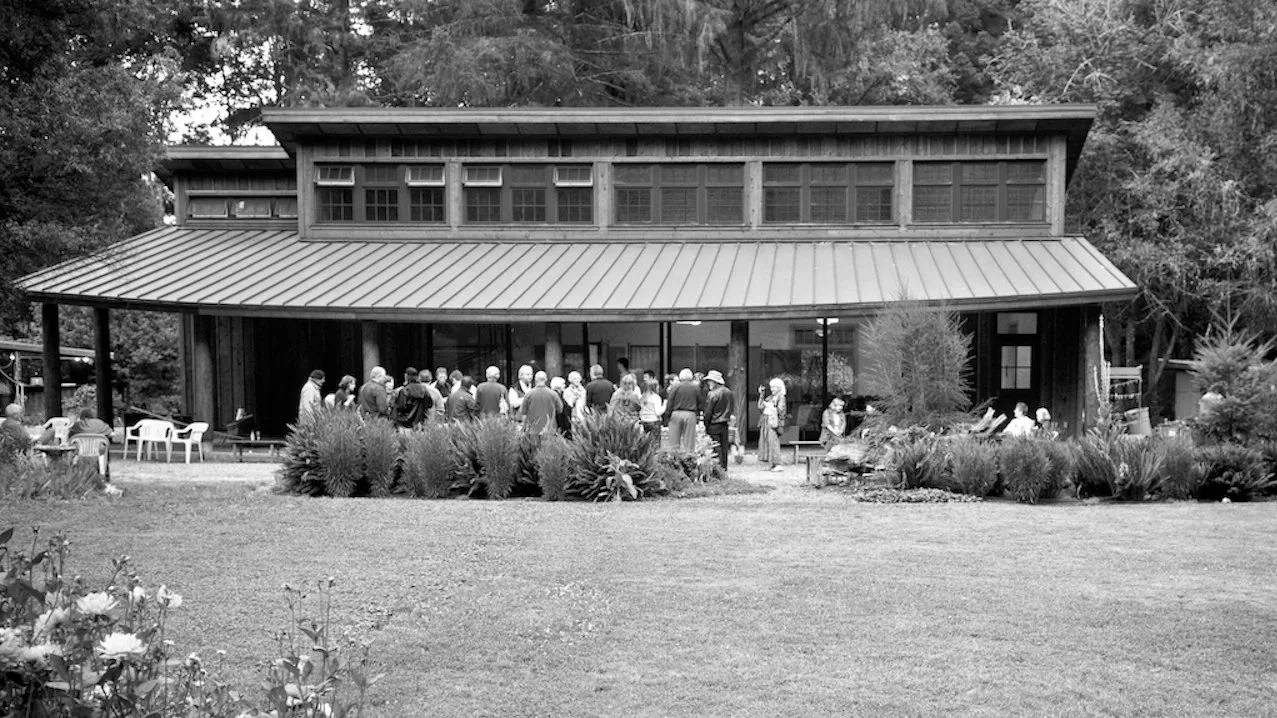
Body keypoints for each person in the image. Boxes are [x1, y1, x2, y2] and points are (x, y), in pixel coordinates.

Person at [663, 368, 703, 452]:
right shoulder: (696, 387)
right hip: (690, 414)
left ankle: (674, 457)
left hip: (676, 414)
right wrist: (698, 414)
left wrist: (667, 415)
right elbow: (700, 402)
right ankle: (689, 457)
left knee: (674, 442)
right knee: (689, 442)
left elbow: (670, 401)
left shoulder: (675, 387)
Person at [702, 369, 734, 470]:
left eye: (709, 381)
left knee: (716, 447)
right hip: (724, 423)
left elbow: (708, 412)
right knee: (724, 447)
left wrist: (705, 424)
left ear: (714, 381)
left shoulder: (712, 394)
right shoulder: (729, 392)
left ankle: (718, 469)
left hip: (713, 423)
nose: (708, 383)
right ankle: (724, 468)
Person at [757, 377, 787, 471]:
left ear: (779, 387)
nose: (772, 389)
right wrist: (761, 395)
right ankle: (772, 463)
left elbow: (781, 410)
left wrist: (770, 406)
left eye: (774, 387)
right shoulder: (770, 397)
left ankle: (778, 463)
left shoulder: (781, 397)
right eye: (771, 387)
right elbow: (760, 407)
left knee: (773, 442)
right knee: (768, 442)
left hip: (774, 422)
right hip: (766, 421)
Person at [638, 377, 666, 443]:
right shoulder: (656, 397)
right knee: (655, 443)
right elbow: (658, 412)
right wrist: (665, 405)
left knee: (646, 442)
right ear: (654, 387)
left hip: (644, 421)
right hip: (654, 421)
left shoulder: (642, 397)